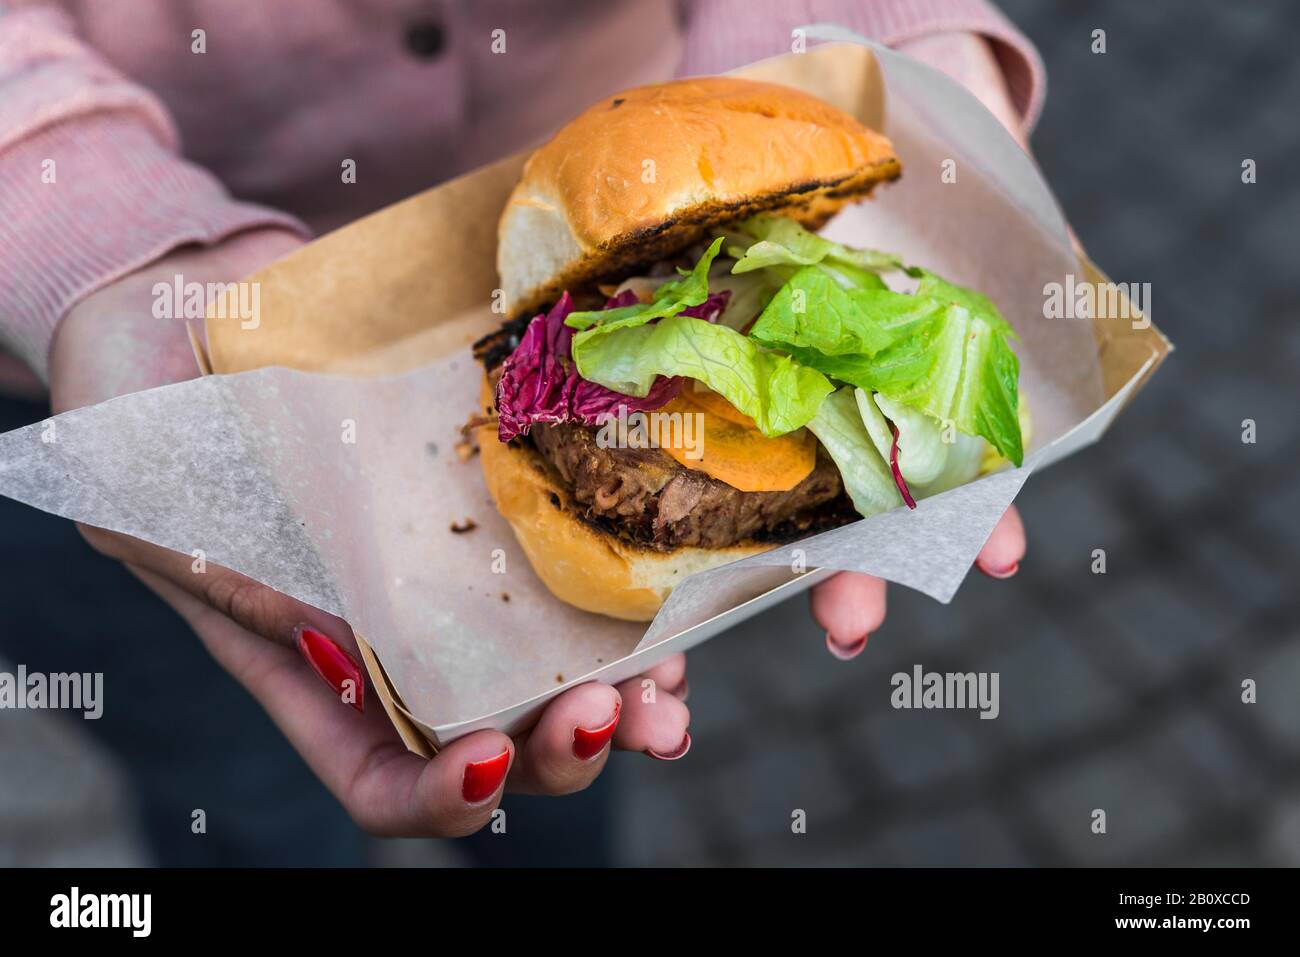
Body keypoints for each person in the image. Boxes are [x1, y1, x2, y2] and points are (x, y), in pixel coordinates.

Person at [0, 0, 1035, 848]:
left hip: (640, 158)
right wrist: (89, 233)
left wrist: (848, 43)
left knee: (565, 783)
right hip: (125, 358)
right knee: (240, 801)